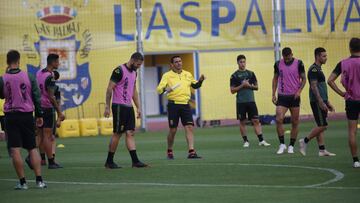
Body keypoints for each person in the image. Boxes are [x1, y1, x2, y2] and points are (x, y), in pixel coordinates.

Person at [0, 50, 46, 189]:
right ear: (19, 60)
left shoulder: (3, 78)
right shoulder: (29, 76)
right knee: (32, 148)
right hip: (27, 115)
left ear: (7, 62)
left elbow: (2, 96)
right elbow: (37, 97)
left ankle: (23, 182)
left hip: (11, 116)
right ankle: (39, 181)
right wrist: (39, 115)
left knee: (15, 150)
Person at [104, 52, 148, 169]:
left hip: (128, 107)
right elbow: (109, 89)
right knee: (118, 133)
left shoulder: (134, 72)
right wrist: (107, 106)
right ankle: (109, 161)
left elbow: (133, 90)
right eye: (138, 64)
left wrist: (138, 107)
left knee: (130, 133)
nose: (138, 66)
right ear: (132, 60)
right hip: (118, 106)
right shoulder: (119, 71)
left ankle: (135, 161)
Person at [157, 55, 205, 159]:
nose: (179, 63)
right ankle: (169, 150)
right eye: (176, 62)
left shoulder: (187, 74)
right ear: (172, 64)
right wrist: (166, 88)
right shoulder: (167, 75)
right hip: (173, 105)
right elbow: (159, 89)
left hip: (185, 104)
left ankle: (191, 151)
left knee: (189, 127)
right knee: (173, 130)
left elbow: (195, 85)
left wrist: (200, 81)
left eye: (180, 61)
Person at [328, 37, 360, 168]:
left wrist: (342, 93)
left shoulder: (343, 63)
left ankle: (356, 161)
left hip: (351, 100)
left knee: (352, 132)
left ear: (350, 48)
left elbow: (330, 80)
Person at [299, 47, 336, 157]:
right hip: (316, 101)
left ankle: (322, 150)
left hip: (321, 100)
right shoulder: (313, 69)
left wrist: (327, 101)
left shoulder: (319, 69)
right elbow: (314, 87)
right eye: (324, 56)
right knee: (323, 125)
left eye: (326, 56)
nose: (326, 58)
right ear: (317, 56)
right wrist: (320, 101)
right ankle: (304, 141)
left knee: (319, 124)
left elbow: (321, 87)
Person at [230, 55, 271, 148]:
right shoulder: (234, 76)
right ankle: (245, 141)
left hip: (251, 101)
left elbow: (256, 87)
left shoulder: (251, 74)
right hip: (241, 102)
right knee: (242, 121)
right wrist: (242, 85)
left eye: (244, 62)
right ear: (237, 63)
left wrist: (248, 85)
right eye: (241, 62)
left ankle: (261, 140)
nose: (243, 64)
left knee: (256, 120)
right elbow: (232, 90)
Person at [272, 47, 306, 154]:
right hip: (282, 96)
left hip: (294, 97)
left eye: (288, 57)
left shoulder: (299, 63)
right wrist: (273, 94)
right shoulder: (278, 64)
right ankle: (282, 144)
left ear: (292, 54)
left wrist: (299, 91)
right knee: (278, 119)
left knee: (295, 122)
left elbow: (304, 79)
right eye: (285, 58)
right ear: (283, 56)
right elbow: (275, 78)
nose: (287, 59)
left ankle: (291, 145)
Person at [36, 54, 65, 169]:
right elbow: (51, 97)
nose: (59, 64)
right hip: (47, 108)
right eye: (58, 62)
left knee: (40, 135)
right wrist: (59, 112)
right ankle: (51, 162)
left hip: (38, 108)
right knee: (48, 136)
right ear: (53, 62)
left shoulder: (39, 73)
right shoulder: (50, 77)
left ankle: (42, 159)